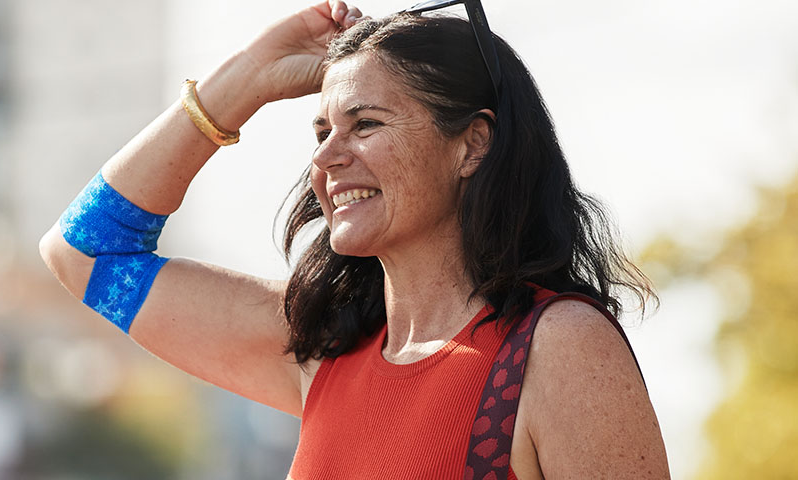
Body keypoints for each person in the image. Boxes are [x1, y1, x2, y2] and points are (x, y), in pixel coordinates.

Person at [39, 0, 671, 478]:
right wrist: (250, 76)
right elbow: (85, 250)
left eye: (365, 124)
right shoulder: (322, 349)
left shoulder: (556, 346)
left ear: (472, 144)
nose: (326, 158)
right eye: (322, 132)